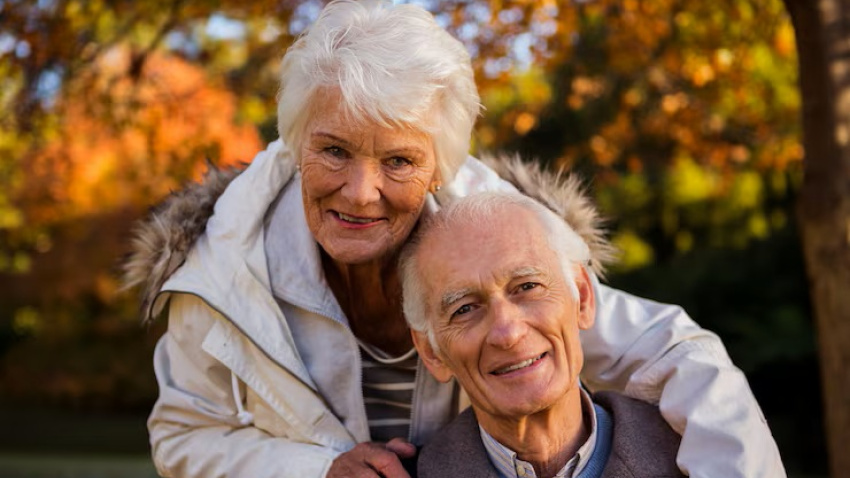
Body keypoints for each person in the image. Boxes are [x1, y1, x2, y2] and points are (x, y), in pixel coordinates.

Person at [122, 1, 785, 477]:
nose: (359, 191)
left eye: (398, 162)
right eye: (333, 151)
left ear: (441, 167)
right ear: (296, 142)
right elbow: (184, 435)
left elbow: (678, 356)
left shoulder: (494, 234)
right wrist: (314, 469)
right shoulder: (220, 274)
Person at [399, 191, 688, 478]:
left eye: (527, 287)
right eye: (464, 309)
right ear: (432, 353)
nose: (508, 333)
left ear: (583, 298)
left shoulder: (698, 457)